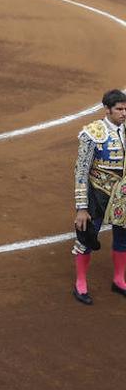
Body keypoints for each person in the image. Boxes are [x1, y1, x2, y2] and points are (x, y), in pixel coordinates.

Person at [72, 89, 126, 305]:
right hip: (97, 194)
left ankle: (119, 279)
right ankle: (81, 282)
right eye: (119, 109)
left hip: (123, 195)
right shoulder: (92, 133)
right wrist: (81, 207)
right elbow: (81, 171)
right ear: (107, 110)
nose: (124, 113)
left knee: (123, 238)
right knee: (85, 239)